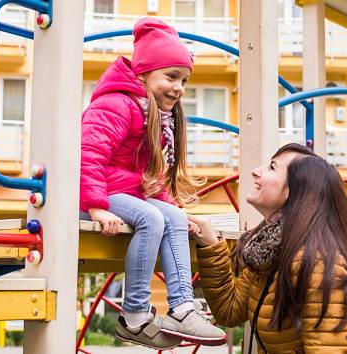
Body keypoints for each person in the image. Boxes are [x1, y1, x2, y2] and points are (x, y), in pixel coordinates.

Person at [80, 17, 226, 350]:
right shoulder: (115, 105)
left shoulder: (155, 115)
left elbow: (152, 175)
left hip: (126, 194)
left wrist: (177, 209)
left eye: (185, 80)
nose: (179, 88)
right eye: (171, 76)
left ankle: (182, 307)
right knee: (152, 218)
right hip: (95, 194)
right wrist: (97, 208)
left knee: (171, 217)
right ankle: (134, 315)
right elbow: (87, 156)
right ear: (143, 73)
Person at [188, 143, 347, 353]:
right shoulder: (268, 252)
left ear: (292, 191)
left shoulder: (316, 260)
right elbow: (230, 311)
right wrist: (211, 244)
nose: (256, 171)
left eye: (272, 167)